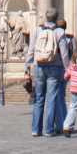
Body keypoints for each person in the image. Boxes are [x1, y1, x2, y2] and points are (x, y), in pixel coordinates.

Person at [26, 8, 72, 137]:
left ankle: (36, 129)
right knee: (51, 99)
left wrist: (27, 68)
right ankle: (49, 130)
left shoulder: (37, 30)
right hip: (55, 68)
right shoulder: (60, 32)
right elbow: (64, 54)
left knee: (39, 98)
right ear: (56, 18)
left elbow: (31, 50)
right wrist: (68, 69)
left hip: (39, 66)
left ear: (46, 17)